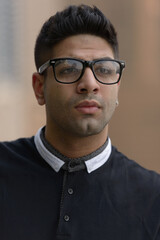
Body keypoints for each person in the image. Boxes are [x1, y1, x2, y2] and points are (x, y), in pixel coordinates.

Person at [0, 4, 160, 240]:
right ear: (39, 87)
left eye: (104, 69)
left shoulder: (152, 198)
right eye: (69, 69)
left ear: (117, 86)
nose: (89, 83)